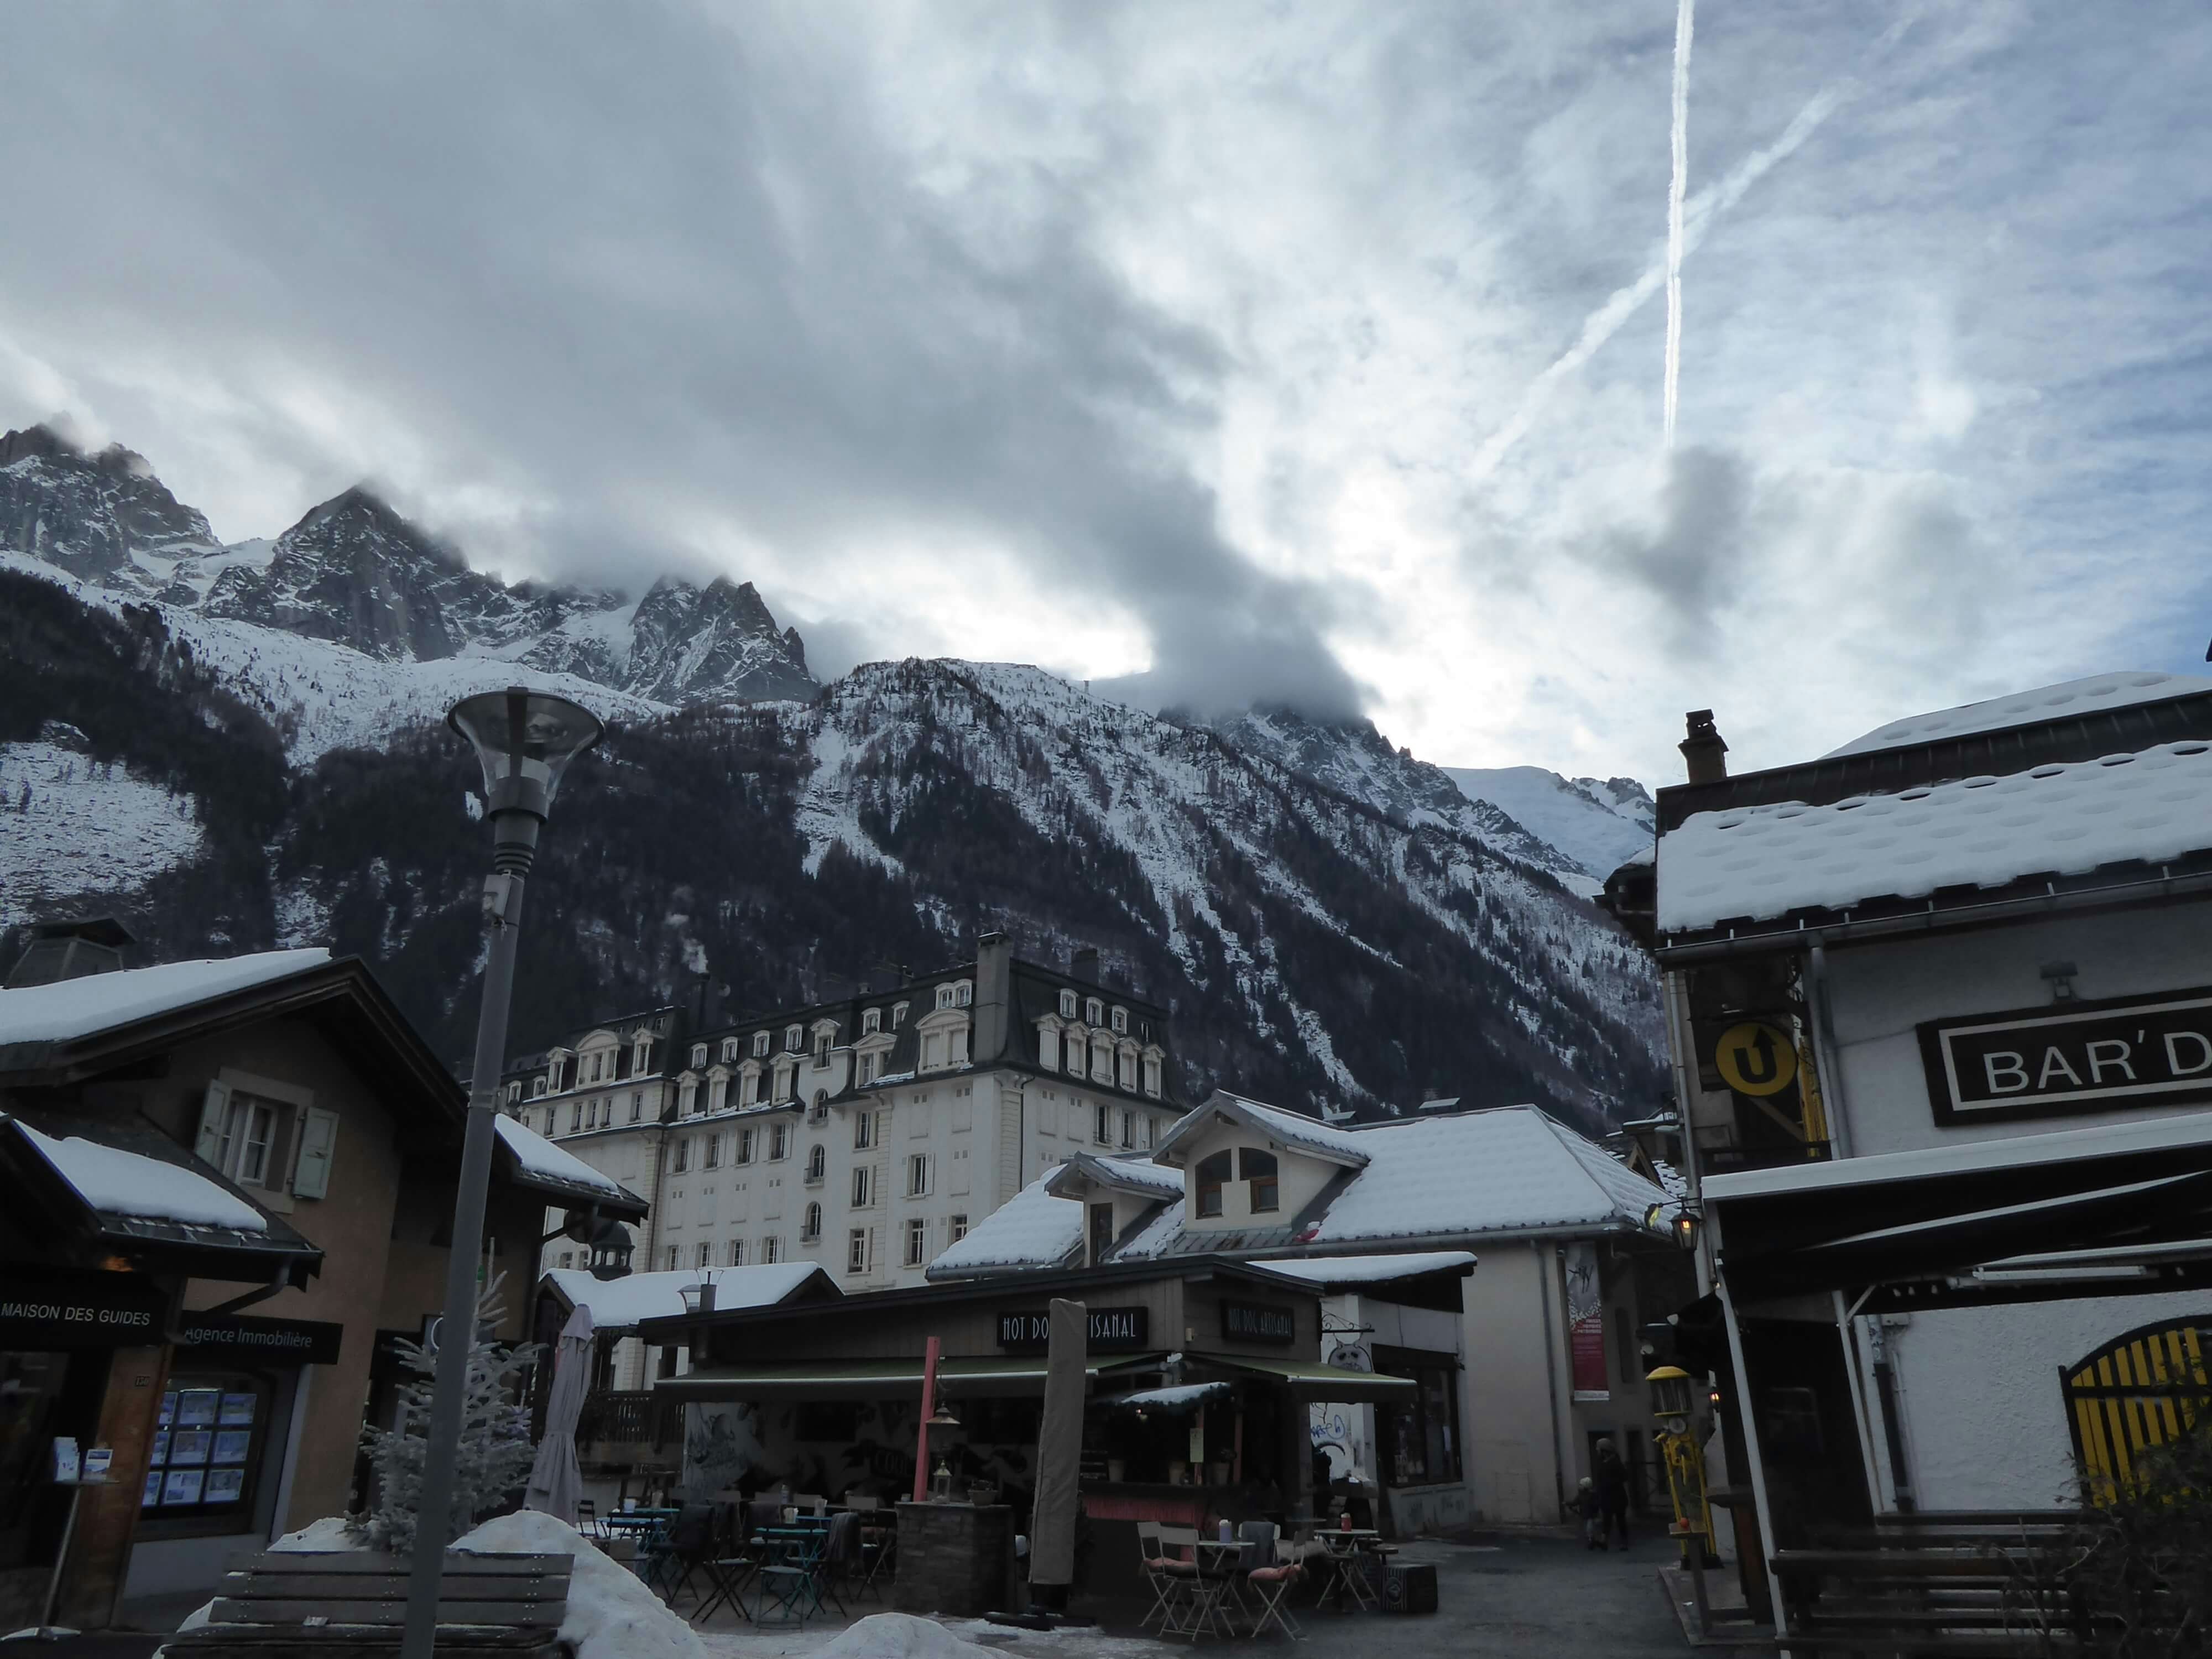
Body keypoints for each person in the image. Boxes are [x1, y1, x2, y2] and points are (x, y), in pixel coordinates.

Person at [1593, 1438, 1630, 1551]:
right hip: (1606, 1496)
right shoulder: (1601, 1462)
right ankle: (1604, 1541)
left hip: (1617, 1495)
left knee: (1620, 1520)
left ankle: (1624, 1542)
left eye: (1599, 1449)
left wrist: (1610, 1482)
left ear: (1604, 1450)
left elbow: (1624, 1477)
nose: (1597, 1451)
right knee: (1607, 1519)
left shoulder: (1615, 1462)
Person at [1574, 1476, 1603, 1550]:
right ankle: (1592, 1540)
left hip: (1591, 1515)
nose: (1580, 1486)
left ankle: (1592, 1541)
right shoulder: (1581, 1495)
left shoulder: (1592, 1495)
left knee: (1589, 1529)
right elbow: (1575, 1502)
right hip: (1585, 1515)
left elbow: (1596, 1504)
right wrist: (1568, 1503)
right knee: (1588, 1529)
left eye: (1581, 1485)